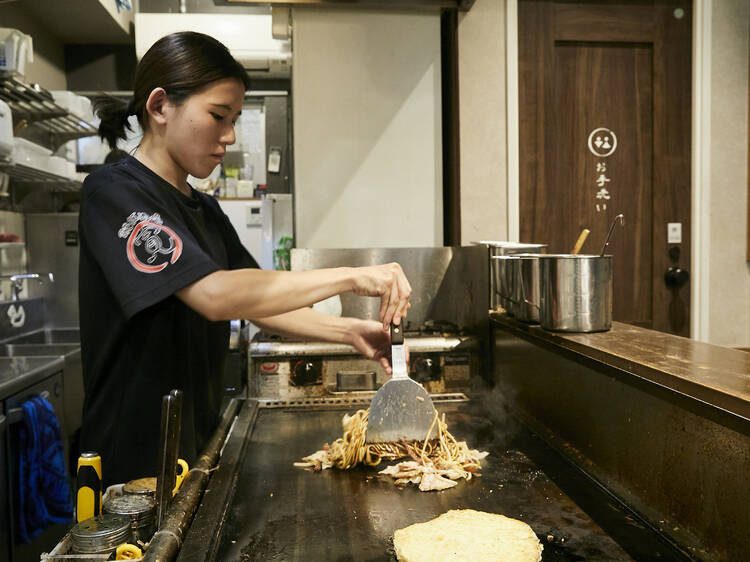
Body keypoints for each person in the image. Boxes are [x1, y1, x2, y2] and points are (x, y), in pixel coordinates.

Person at [79, 31, 412, 487]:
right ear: (159, 107)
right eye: (218, 116)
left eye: (234, 119)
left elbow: (255, 297)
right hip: (131, 465)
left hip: (191, 448)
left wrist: (348, 331)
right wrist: (352, 276)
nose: (230, 136)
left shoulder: (204, 210)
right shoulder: (114, 194)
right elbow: (216, 296)